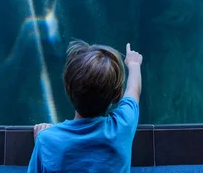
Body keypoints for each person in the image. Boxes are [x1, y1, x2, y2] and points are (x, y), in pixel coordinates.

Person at [27, 41, 143, 173]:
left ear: (67, 89)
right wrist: (134, 65)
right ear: (118, 95)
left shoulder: (47, 140)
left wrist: (44, 143)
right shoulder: (123, 125)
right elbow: (133, 90)